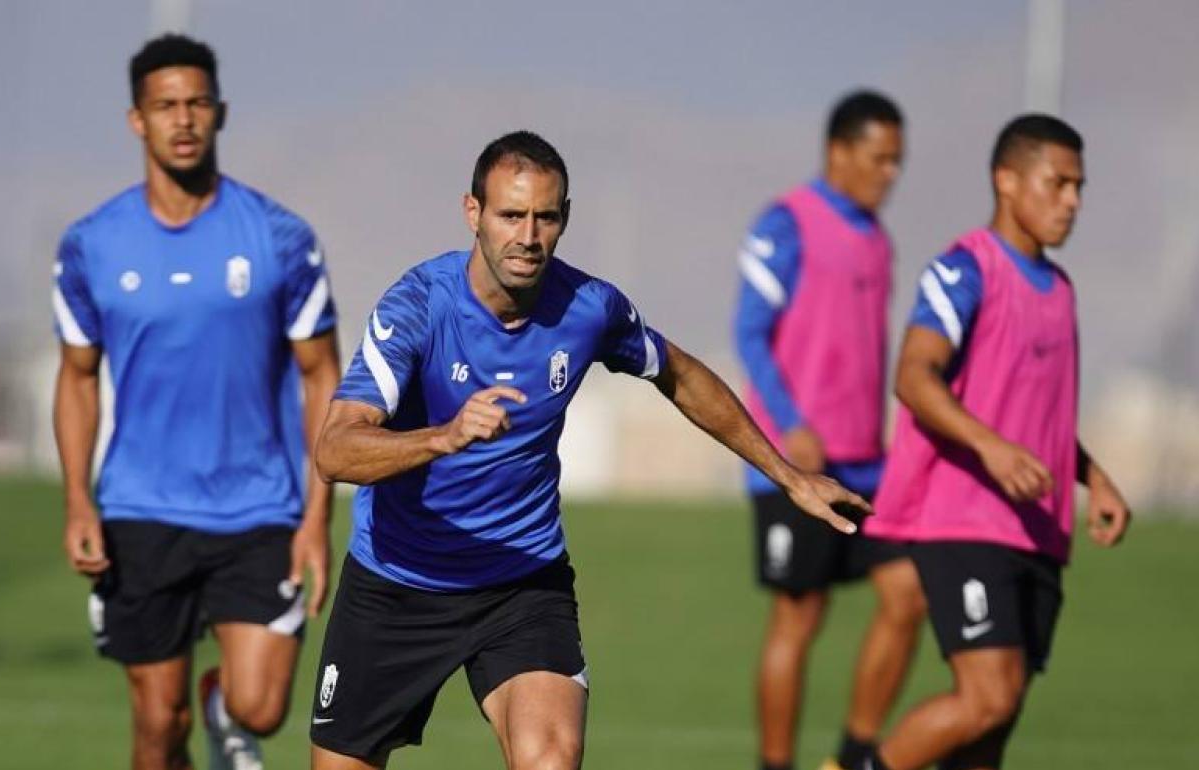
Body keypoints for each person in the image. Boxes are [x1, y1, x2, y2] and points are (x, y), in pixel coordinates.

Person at [308, 130, 871, 770]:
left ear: (564, 219)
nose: (527, 235)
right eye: (510, 215)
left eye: (545, 217)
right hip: (399, 581)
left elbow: (680, 374)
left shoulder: (589, 308)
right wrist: (444, 436)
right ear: (473, 213)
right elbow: (335, 449)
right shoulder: (416, 308)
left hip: (520, 581)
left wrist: (789, 476)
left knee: (551, 759)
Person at [52, 34, 341, 770]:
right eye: (165, 106)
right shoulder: (92, 244)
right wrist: (79, 502)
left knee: (261, 707)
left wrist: (316, 518)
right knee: (157, 724)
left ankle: (225, 710)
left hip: (258, 508)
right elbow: (78, 377)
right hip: (139, 510)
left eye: (197, 103)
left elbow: (321, 378)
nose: (183, 119)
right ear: (137, 121)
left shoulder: (279, 238)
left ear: (221, 113)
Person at [861, 114, 1131, 770]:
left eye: (1079, 186)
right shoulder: (964, 270)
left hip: (1037, 529)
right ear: (1006, 179)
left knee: (990, 735)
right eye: (1058, 182)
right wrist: (991, 448)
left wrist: (1093, 477)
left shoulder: (1060, 290)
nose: (1072, 200)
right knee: (987, 695)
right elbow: (914, 375)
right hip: (964, 519)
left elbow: (1035, 414)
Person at [734, 90, 926, 770]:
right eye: (879, 158)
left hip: (869, 465)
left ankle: (851, 758)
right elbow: (749, 333)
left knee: (908, 594)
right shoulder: (786, 223)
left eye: (899, 161)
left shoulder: (878, 237)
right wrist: (791, 428)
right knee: (799, 617)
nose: (891, 174)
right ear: (839, 151)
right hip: (794, 466)